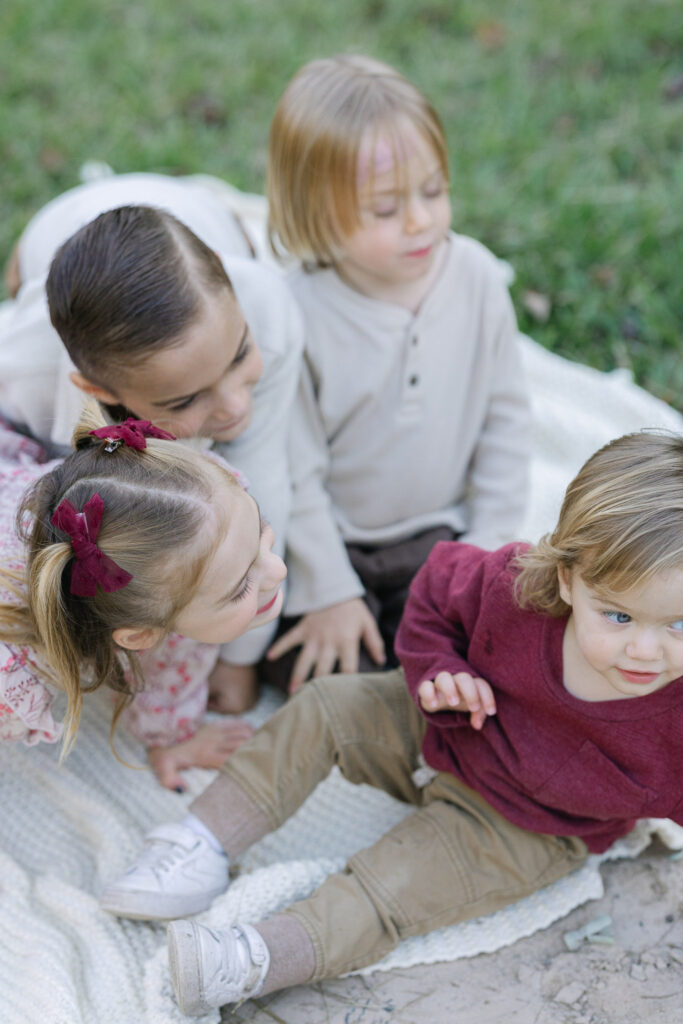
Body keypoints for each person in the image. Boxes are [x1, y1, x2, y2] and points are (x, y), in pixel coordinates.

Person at [98, 429, 683, 1014]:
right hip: (450, 726)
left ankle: (252, 958)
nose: (645, 651)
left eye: (678, 625)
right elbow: (432, 595)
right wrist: (439, 670)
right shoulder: (516, 588)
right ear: (567, 578)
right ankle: (201, 840)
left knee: (395, 884)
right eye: (617, 615)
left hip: (525, 825)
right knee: (328, 708)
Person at [264, 55, 531, 691]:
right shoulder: (294, 313)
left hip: (446, 534)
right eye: (385, 209)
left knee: (510, 651)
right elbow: (292, 467)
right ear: (315, 211)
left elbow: (506, 420)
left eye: (433, 191)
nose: (419, 220)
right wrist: (329, 587)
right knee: (319, 668)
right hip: (337, 543)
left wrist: (488, 547)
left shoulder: (475, 279)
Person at [0, 194, 303, 711]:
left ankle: (223, 210)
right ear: (97, 390)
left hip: (191, 214)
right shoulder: (24, 377)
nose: (234, 407)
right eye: (184, 399)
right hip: (58, 231)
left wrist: (240, 657)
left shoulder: (268, 309)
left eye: (239, 357)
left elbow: (268, 478)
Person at [0, 410, 286, 789]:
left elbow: (176, 651)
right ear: (138, 636)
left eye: (262, 530)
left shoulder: (194, 502)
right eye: (240, 587)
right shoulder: (15, 675)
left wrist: (169, 734)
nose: (278, 569)